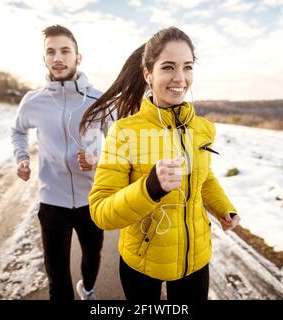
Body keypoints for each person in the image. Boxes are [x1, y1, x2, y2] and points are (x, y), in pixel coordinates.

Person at [80, 26, 240, 301]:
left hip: (196, 258)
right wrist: (150, 188)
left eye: (187, 67)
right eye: (168, 67)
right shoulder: (124, 132)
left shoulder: (203, 129)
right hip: (142, 261)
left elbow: (205, 177)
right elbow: (101, 212)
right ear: (148, 74)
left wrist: (223, 207)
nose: (180, 78)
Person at [11, 25, 106, 300]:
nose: (58, 58)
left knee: (92, 257)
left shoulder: (99, 100)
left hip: (93, 199)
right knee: (57, 278)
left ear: (78, 56)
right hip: (52, 201)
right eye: (51, 52)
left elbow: (118, 143)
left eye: (65, 50)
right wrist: (21, 157)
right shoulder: (33, 101)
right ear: (44, 59)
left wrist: (98, 160)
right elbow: (17, 130)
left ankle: (87, 289)